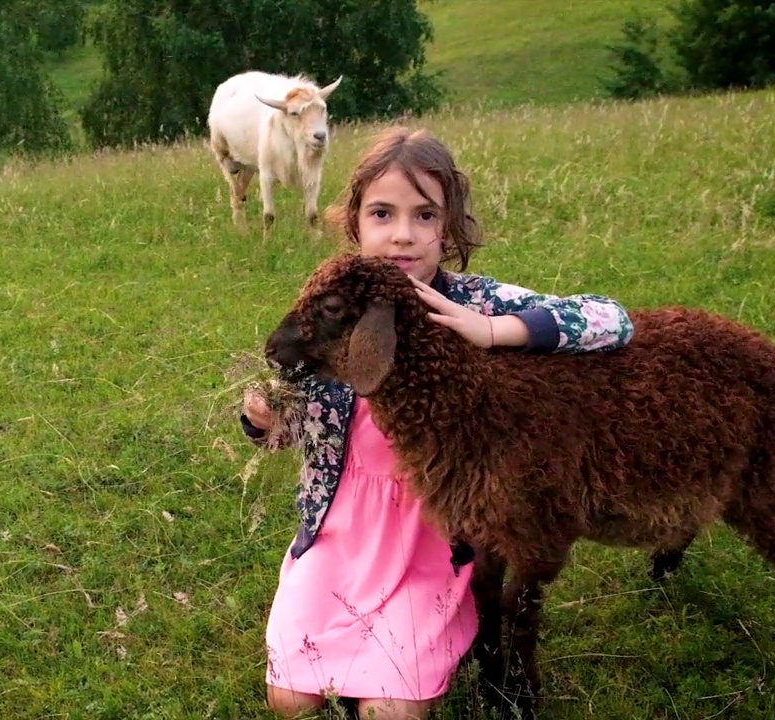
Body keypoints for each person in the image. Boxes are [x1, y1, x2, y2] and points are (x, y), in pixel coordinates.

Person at [240, 126, 635, 720]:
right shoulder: (335, 303)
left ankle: (420, 653)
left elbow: (612, 319)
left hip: (434, 539)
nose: (403, 234)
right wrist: (263, 420)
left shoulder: (473, 303)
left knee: (390, 713)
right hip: (342, 534)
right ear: (354, 224)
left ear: (446, 228)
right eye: (382, 213)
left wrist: (498, 331)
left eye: (424, 215)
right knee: (289, 702)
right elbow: (288, 424)